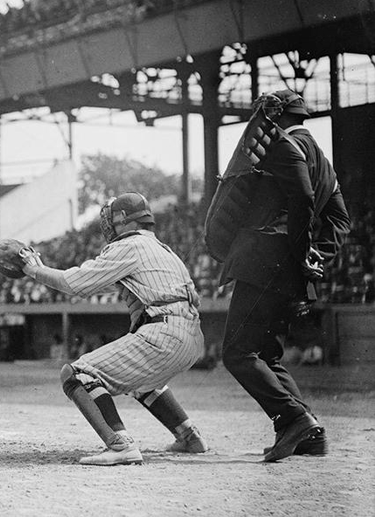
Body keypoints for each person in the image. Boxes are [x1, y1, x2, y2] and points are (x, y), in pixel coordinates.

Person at [20, 193, 208, 466]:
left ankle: (120, 444)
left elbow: (76, 284)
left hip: (163, 332)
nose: (107, 224)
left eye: (111, 218)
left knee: (76, 374)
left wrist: (35, 270)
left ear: (122, 219)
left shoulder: (128, 246)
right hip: (191, 336)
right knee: (142, 382)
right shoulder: (166, 251)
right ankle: (189, 435)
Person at [214, 90, 350, 462]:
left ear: (276, 116)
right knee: (268, 356)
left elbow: (303, 199)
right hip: (287, 272)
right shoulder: (324, 162)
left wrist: (298, 251)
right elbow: (340, 220)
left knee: (237, 352)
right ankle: (309, 434)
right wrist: (313, 255)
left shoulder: (284, 146)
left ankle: (293, 418)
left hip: (264, 264)